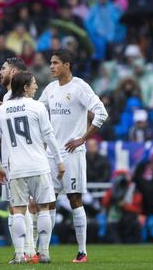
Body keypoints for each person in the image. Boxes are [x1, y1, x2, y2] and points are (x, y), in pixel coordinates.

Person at [38, 49, 108, 263]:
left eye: (56, 63)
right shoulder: (50, 89)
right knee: (47, 200)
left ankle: (82, 252)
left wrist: (83, 138)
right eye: (51, 63)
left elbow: (102, 113)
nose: (51, 67)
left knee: (74, 198)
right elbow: (36, 111)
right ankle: (44, 252)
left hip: (72, 153)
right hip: (52, 153)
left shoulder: (80, 87)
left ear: (67, 65)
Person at [0, 71, 64, 264]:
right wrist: (59, 160)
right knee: (44, 208)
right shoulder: (37, 106)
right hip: (39, 166)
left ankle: (21, 254)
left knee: (18, 211)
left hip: (16, 169)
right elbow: (49, 135)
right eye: (33, 84)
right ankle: (44, 252)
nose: (36, 87)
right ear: (24, 87)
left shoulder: (2, 110)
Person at [0, 57, 39, 261]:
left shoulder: (17, 98)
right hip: (18, 159)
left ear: (13, 73)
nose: (0, 72)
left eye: (3, 68)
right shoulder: (9, 97)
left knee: (19, 206)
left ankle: (26, 251)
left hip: (16, 160)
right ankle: (28, 250)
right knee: (18, 206)